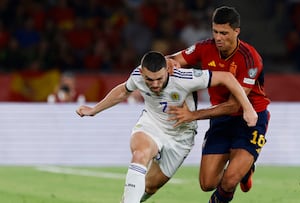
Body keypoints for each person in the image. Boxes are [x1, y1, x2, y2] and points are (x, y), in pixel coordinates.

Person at [76, 51, 258, 203]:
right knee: (140, 154)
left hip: (181, 137)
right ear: (142, 72)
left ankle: (243, 172)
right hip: (152, 125)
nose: (154, 84)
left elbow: (227, 77)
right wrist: (94, 110)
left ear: (167, 71)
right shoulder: (137, 76)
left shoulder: (184, 78)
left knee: (150, 186)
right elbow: (123, 90)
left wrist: (248, 108)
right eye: (149, 80)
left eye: (159, 79)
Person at [166, 6, 271, 203]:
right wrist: (170, 63)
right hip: (221, 120)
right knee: (207, 183)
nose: (218, 37)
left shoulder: (250, 59)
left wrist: (192, 115)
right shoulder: (204, 48)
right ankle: (244, 169)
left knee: (229, 181)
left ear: (236, 31)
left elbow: (234, 105)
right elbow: (172, 59)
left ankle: (239, 171)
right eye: (215, 32)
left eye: (224, 33)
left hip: (250, 119)